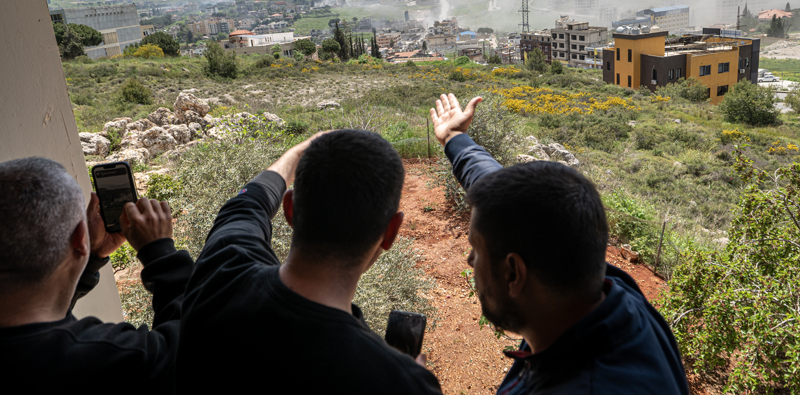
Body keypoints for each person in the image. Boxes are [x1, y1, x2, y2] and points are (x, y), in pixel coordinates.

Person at [430, 94, 689, 395]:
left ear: (514, 273)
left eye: (476, 249)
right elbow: (513, 203)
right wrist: (455, 138)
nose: (470, 260)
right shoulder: (599, 287)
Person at [177, 130, 442, 394]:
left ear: (290, 209)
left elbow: (249, 202)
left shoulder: (222, 267)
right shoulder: (398, 383)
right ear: (391, 232)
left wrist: (298, 152)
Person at [0, 157, 193, 394]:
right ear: (81, 238)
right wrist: (161, 253)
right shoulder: (111, 359)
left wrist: (89, 258)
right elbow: (198, 341)